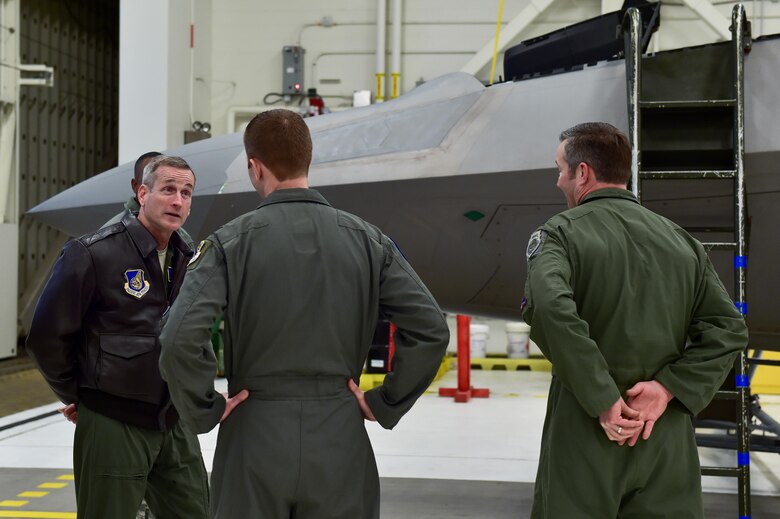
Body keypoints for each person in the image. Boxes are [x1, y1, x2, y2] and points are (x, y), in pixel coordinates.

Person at [158, 109, 450, 519]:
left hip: (254, 435)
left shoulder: (229, 243)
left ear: (254, 167)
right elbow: (431, 328)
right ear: (307, 160)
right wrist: (386, 401)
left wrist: (205, 408)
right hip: (340, 434)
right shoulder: (368, 241)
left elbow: (178, 339)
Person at [521, 122, 748, 518]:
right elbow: (728, 328)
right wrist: (666, 389)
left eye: (560, 169)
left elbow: (548, 306)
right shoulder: (682, 242)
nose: (558, 181)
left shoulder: (560, 235)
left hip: (587, 430)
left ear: (583, 173)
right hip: (663, 433)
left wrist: (603, 397)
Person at [26, 155, 208, 519]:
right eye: (168, 189)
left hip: (174, 420)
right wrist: (80, 395)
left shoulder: (188, 256)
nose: (178, 200)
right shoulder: (94, 252)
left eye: (186, 193)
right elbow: (47, 337)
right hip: (114, 423)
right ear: (143, 193)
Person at [104, 150, 194, 248]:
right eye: (168, 189)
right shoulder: (111, 240)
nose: (178, 202)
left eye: (185, 193)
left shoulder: (183, 241)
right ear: (140, 190)